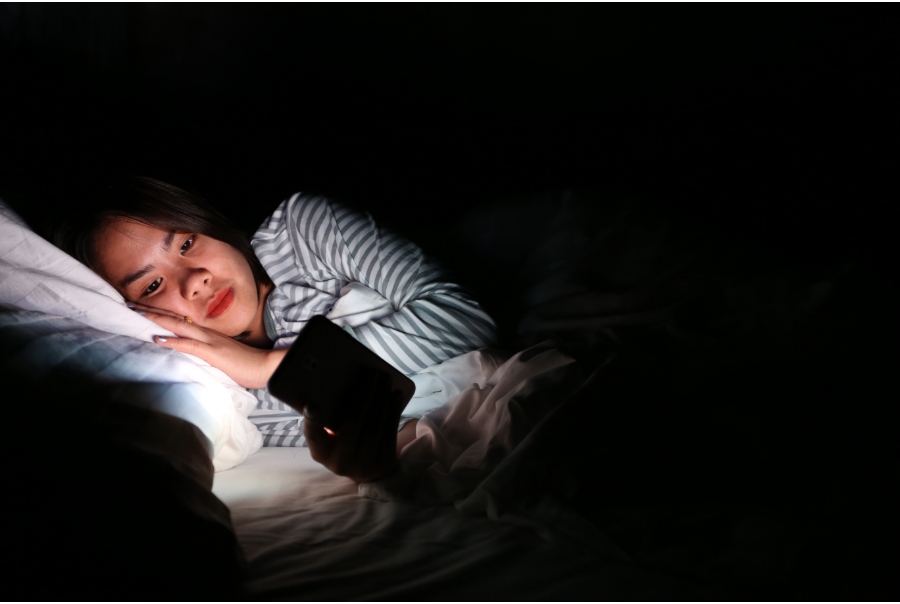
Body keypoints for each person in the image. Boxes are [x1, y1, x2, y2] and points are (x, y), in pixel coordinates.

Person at [54, 177, 497, 482]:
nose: (195, 281)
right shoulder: (226, 397)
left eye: (187, 243)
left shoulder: (304, 231)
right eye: (153, 285)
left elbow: (465, 319)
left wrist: (270, 367)